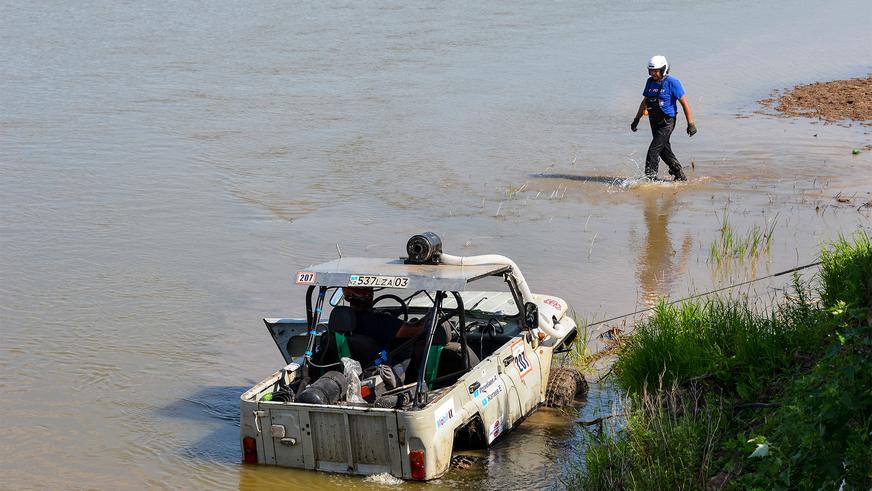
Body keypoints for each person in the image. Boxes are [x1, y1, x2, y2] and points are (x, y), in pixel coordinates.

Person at [631, 55, 697, 181]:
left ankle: (650, 180)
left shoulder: (672, 83)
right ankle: (679, 174)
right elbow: (645, 101)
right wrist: (636, 119)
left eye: (656, 71)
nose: (653, 73)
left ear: (663, 69)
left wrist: (691, 123)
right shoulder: (649, 82)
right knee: (663, 150)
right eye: (651, 71)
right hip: (654, 121)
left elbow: (684, 103)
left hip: (667, 122)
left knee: (653, 150)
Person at [343, 287, 427, 347]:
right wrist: (431, 315)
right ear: (367, 294)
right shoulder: (379, 321)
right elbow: (416, 330)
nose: (372, 293)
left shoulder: (343, 321)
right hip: (385, 366)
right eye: (369, 290)